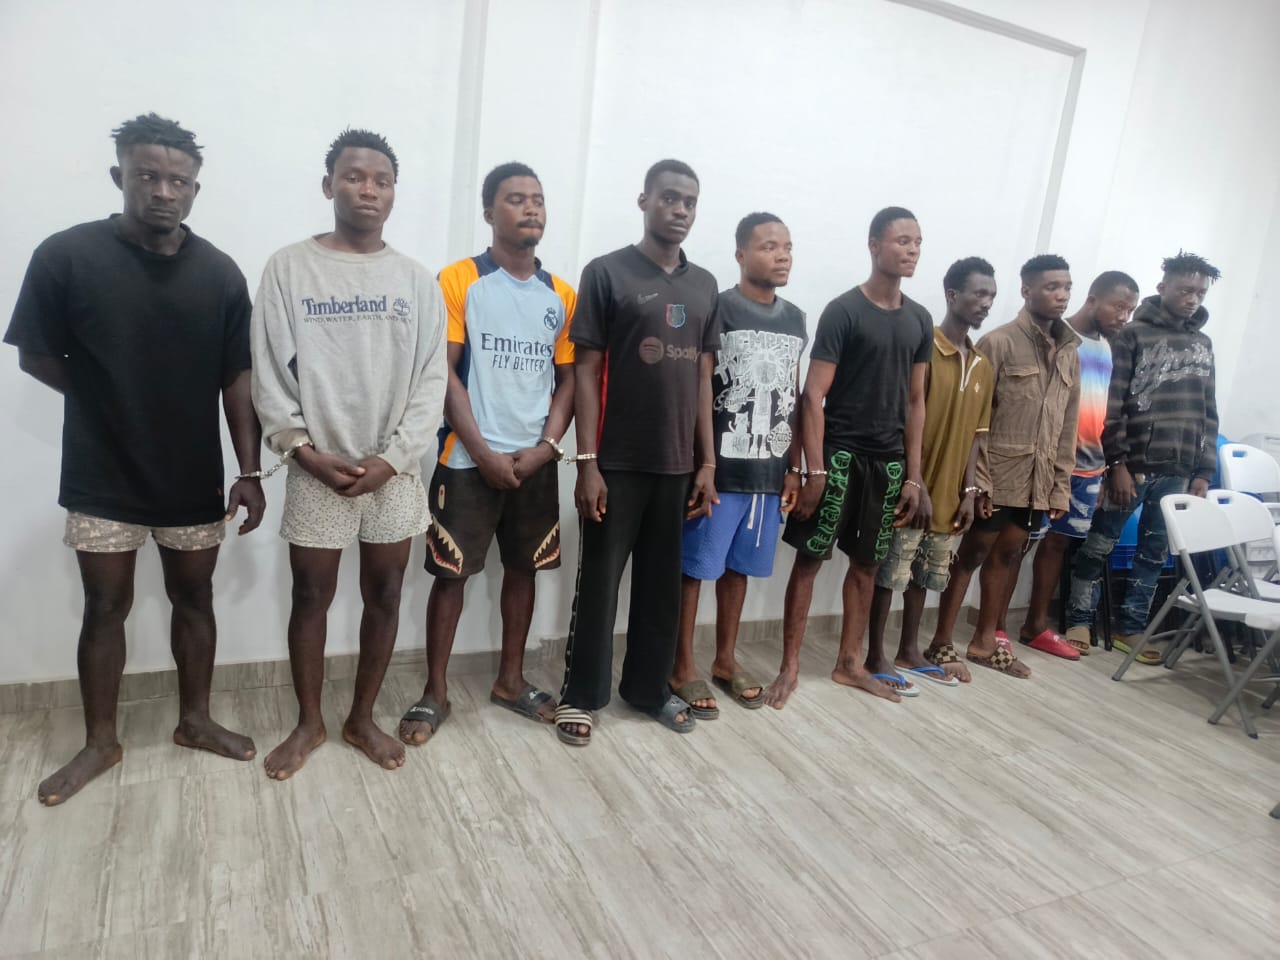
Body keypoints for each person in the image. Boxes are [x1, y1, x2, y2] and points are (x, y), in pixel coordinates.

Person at [4, 113, 264, 806]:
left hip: (191, 475)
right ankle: (100, 742)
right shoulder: (65, 256)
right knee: (105, 606)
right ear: (119, 175)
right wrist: (106, 397)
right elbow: (34, 354)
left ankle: (195, 719)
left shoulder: (220, 274)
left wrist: (249, 471)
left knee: (195, 599)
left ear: (195, 189)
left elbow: (236, 378)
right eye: (148, 175)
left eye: (179, 181)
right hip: (101, 474)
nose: (163, 191)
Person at [251, 128, 447, 779]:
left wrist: (394, 458)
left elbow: (432, 381)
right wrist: (301, 449)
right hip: (318, 468)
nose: (368, 189)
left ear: (394, 193)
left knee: (385, 592)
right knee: (311, 593)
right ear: (328, 184)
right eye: (355, 176)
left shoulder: (416, 281)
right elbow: (267, 371)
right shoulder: (288, 268)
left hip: (395, 472)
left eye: (382, 180)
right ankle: (309, 722)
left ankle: (361, 718)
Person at [398, 162, 575, 745]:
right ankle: (435, 692)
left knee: (524, 570)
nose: (531, 208)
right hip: (465, 461)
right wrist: (480, 448)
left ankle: (509, 680)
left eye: (538, 199)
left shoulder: (562, 295)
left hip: (534, 464)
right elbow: (443, 372)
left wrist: (546, 449)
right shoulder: (459, 280)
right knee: (451, 577)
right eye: (516, 198)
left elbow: (569, 381)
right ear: (488, 212)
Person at [553, 159, 719, 746]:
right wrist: (587, 462)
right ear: (644, 200)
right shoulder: (607, 273)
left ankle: (648, 689)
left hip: (678, 465)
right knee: (599, 585)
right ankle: (581, 694)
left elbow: (703, 377)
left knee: (660, 588)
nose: (680, 210)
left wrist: (707, 462)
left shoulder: (705, 285)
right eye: (669, 198)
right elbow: (585, 369)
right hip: (616, 462)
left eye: (689, 202)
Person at [764, 206, 931, 708]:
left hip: (888, 463)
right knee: (810, 560)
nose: (911, 250)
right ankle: (789, 667)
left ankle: (850, 664)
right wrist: (813, 469)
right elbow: (813, 394)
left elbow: (916, 401)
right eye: (902, 240)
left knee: (867, 565)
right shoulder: (843, 311)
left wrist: (914, 476)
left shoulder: (919, 319)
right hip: (838, 456)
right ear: (874, 245)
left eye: (917, 242)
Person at [670, 213, 807, 717]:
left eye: (787, 247)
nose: (782, 255)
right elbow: (700, 385)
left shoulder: (795, 318)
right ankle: (681, 664)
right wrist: (703, 463)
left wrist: (794, 466)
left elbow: (793, 393)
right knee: (695, 568)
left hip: (768, 472)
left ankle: (725, 659)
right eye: (769, 246)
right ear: (741, 254)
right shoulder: (719, 307)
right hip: (721, 469)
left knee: (739, 569)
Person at [924, 254, 1080, 680]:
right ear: (1027, 291)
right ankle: (941, 641)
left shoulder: (1070, 352)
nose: (1062, 295)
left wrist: (1059, 486)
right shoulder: (999, 343)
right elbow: (977, 420)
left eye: (1066, 287)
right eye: (1051, 287)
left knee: (1010, 555)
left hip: (1038, 480)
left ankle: (984, 642)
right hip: (997, 475)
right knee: (971, 554)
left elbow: (1067, 425)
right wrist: (978, 483)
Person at [1066, 252, 1221, 663]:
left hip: (1179, 469)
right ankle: (1078, 618)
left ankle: (1131, 628)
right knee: (1099, 544)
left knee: (1154, 554)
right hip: (1132, 468)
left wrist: (1204, 470)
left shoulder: (1203, 344)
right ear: (1163, 287)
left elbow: (1208, 411)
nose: (1192, 299)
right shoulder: (1132, 335)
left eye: (1200, 293)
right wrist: (1118, 464)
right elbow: (1112, 404)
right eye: (1185, 290)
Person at [866, 258, 997, 687]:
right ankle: (875, 654)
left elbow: (977, 436)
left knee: (925, 575)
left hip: (949, 495)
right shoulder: (926, 349)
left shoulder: (983, 365)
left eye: (992, 296)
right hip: (911, 488)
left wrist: (970, 491)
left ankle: (909, 649)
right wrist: (915, 480)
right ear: (952, 295)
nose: (986, 303)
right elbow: (904, 417)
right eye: (979, 293)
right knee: (891, 571)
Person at [1016, 271, 1139, 656]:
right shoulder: (1060, 335)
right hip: (1050, 463)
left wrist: (1106, 467)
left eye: (1130, 310)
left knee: (1058, 544)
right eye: (1118, 307)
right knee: (1020, 543)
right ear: (1093, 299)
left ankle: (1035, 625)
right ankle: (994, 626)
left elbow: (1108, 410)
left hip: (1089, 466)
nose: (1124, 316)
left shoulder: (1110, 346)